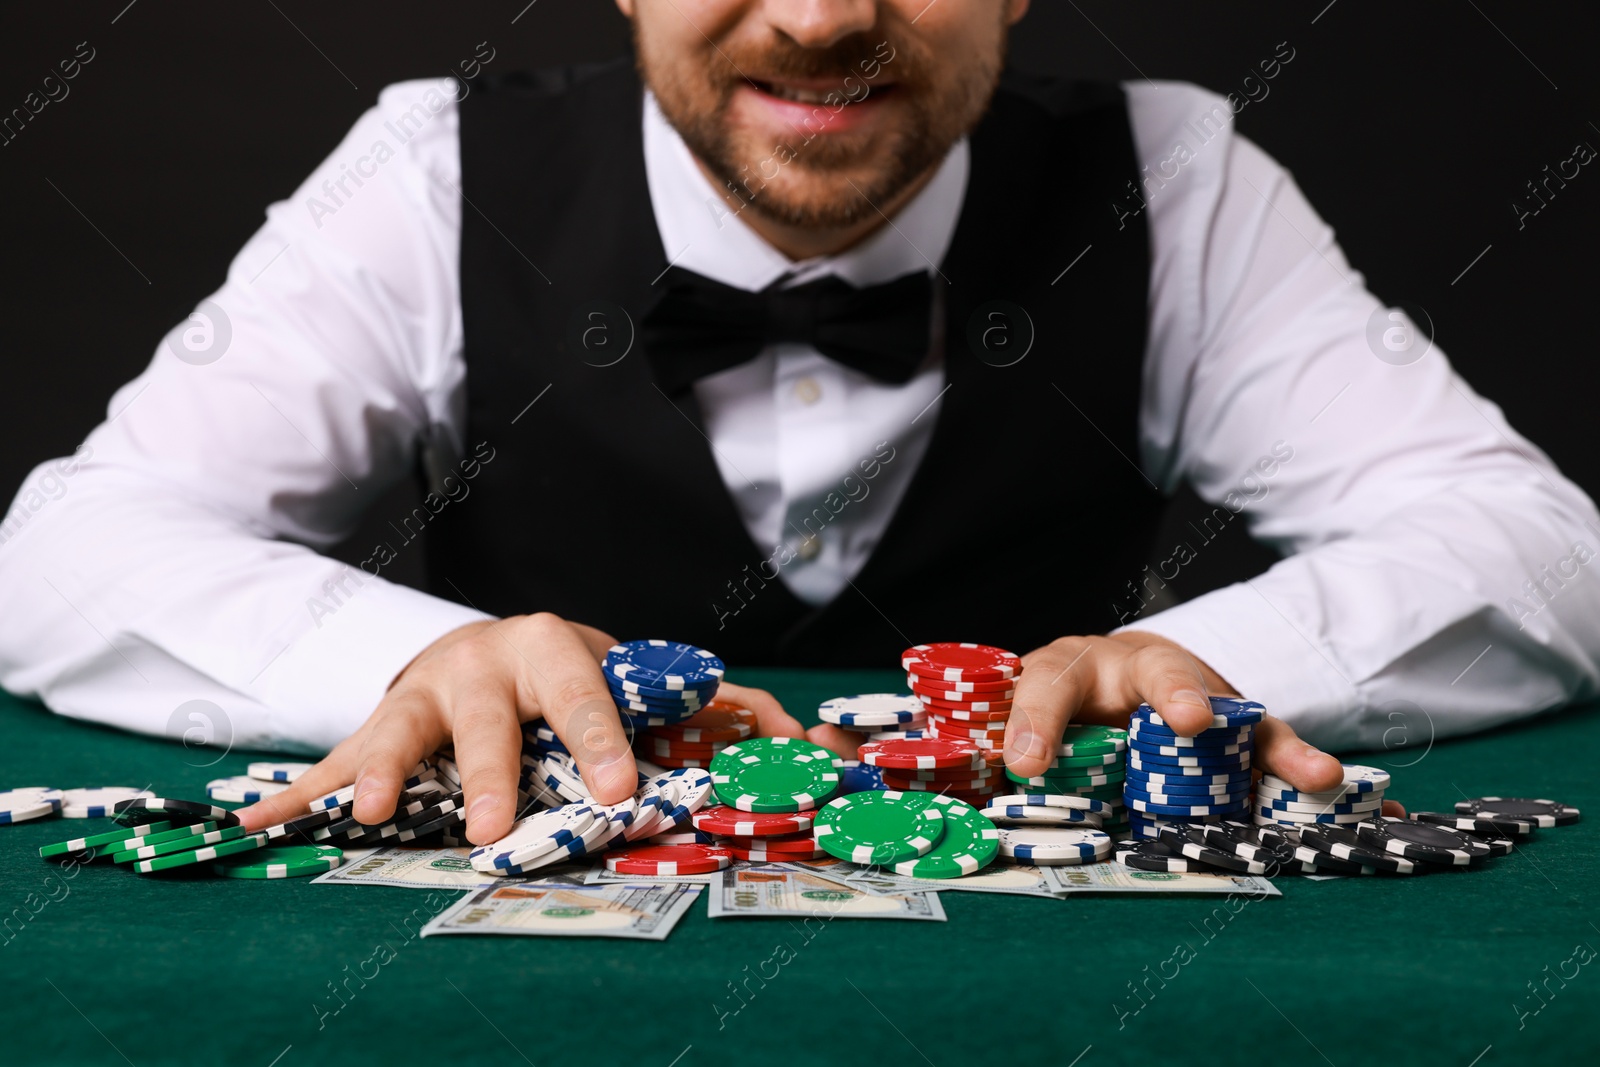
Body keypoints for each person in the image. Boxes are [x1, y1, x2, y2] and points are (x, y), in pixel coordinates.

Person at [2, 0, 1597, 847]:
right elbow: (60, 559)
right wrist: (401, 661)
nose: (825, 15)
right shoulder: (431, 173)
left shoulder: (1171, 178)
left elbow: (1546, 552)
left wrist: (1228, 669)